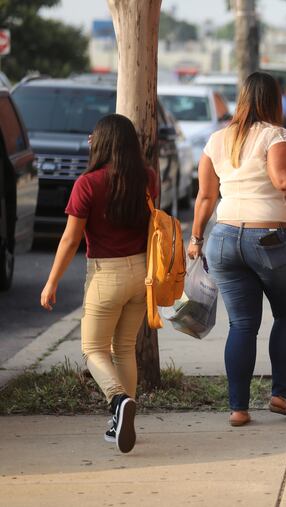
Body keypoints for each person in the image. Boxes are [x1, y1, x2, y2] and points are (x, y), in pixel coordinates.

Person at [188, 72, 286, 427]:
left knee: (242, 324)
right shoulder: (276, 135)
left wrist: (196, 239)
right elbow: (284, 181)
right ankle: (280, 394)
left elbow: (206, 196)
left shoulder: (216, 140)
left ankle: (238, 408)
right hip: (270, 238)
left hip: (224, 239)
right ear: (274, 99)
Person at [40, 114, 159, 453]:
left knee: (92, 349)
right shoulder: (147, 178)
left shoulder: (88, 183)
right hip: (142, 275)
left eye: (93, 136)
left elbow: (69, 240)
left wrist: (51, 282)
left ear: (104, 142)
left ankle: (119, 401)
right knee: (123, 349)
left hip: (106, 275)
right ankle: (122, 419)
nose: (90, 139)